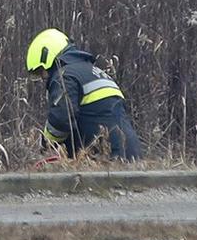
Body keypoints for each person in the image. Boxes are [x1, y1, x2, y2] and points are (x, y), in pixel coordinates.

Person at [26, 28, 143, 161]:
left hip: (105, 160)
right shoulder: (97, 72)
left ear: (46, 57)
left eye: (41, 71)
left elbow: (61, 120)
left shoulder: (65, 76)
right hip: (132, 155)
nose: (43, 77)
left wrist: (46, 145)